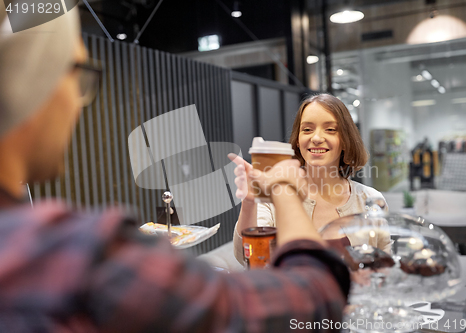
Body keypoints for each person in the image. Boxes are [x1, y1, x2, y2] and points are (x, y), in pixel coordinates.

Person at [0, 3, 350, 331]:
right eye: (79, 73)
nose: (78, 104)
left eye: (330, 129)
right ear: (29, 84)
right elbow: (311, 297)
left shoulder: (368, 199)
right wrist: (283, 189)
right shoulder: (80, 253)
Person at [233, 94, 391, 266]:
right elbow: (246, 257)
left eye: (330, 129)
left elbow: (384, 264)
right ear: (298, 141)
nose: (316, 138)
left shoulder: (370, 200)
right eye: (307, 129)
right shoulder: (275, 195)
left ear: (345, 141)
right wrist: (249, 203)